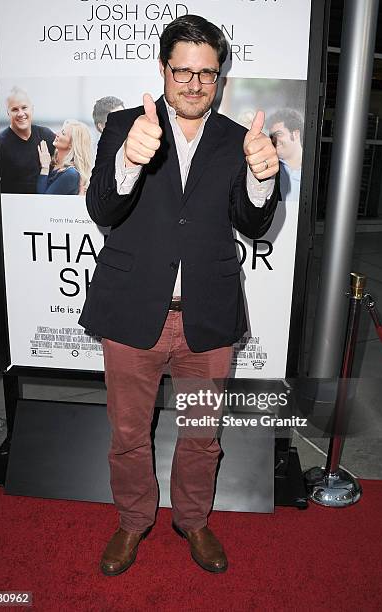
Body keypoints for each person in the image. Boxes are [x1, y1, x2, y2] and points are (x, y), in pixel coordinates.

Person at [79, 14, 280, 576]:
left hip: (208, 317)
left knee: (202, 436)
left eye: (206, 74)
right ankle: (132, 520)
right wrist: (127, 161)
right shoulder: (126, 125)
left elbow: (252, 221)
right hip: (132, 310)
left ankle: (192, 519)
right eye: (182, 71)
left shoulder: (240, 140)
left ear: (220, 77)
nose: (193, 84)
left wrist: (263, 178)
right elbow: (103, 208)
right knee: (126, 434)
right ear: (163, 69)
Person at [0, 87, 55, 193]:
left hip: (46, 203)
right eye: (15, 109)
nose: (20, 113)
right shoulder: (0, 144)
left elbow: (69, 162)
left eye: (24, 108)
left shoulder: (46, 135)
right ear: (8, 113)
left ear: (32, 109)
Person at [37, 120, 92, 195]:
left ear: (72, 144)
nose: (57, 134)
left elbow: (44, 200)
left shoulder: (71, 174)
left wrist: (45, 168)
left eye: (63, 133)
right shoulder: (54, 163)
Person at [267, 108, 304, 201]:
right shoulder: (269, 170)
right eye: (271, 136)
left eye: (278, 134)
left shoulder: (313, 170)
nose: (273, 141)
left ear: (295, 134)